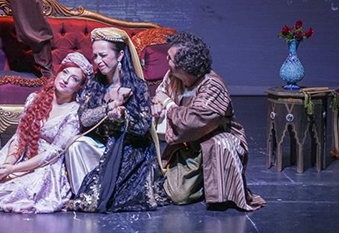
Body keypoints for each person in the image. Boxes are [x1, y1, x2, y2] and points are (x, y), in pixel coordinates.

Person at [151, 32, 266, 211]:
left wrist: (167, 103)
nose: (166, 60)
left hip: (211, 141)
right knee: (174, 192)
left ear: (185, 66)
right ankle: (202, 181)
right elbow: (161, 92)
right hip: (185, 142)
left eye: (170, 58)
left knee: (180, 194)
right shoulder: (173, 76)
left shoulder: (213, 86)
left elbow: (191, 122)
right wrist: (158, 103)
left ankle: (214, 184)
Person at [0, 52, 93, 213]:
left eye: (74, 79)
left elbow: (53, 153)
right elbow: (19, 137)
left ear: (80, 87)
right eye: (64, 72)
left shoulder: (74, 113)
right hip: (22, 156)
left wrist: (13, 170)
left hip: (46, 166)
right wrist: (8, 163)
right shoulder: (34, 99)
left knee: (13, 193)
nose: (66, 79)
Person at [65, 27, 169, 213]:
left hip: (129, 149)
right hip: (101, 144)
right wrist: (108, 108)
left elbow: (143, 127)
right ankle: (84, 194)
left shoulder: (137, 86)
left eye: (103, 55)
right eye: (95, 56)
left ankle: (97, 195)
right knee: (75, 145)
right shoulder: (94, 84)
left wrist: (122, 117)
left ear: (120, 55)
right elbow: (85, 119)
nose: (98, 61)